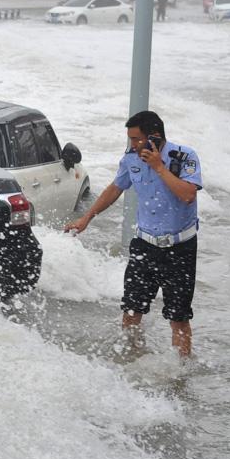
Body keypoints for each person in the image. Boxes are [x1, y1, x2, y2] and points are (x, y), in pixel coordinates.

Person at [64, 111, 203, 358]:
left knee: (178, 317)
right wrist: (87, 217)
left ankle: (181, 374)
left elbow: (187, 194)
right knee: (131, 311)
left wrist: (159, 166)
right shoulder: (130, 160)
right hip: (144, 245)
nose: (133, 145)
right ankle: (132, 359)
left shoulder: (184, 157)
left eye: (137, 139)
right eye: (130, 139)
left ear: (155, 136)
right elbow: (115, 188)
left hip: (180, 248)